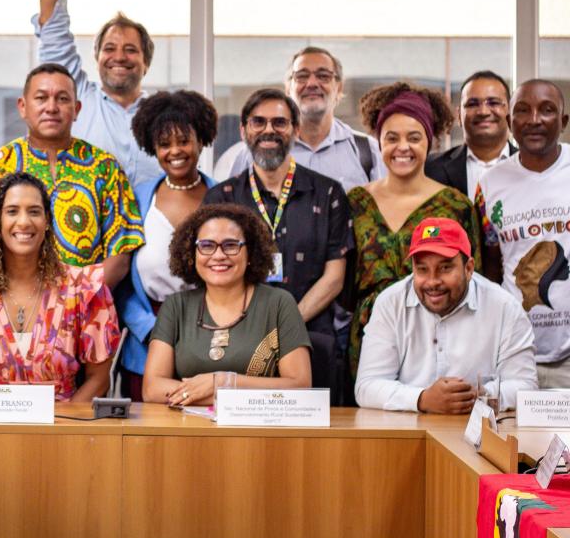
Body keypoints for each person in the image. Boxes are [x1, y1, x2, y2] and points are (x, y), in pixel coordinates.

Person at [204, 88, 352, 392]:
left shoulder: (328, 194)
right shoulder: (221, 198)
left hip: (312, 340)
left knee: (313, 424)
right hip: (238, 342)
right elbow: (211, 272)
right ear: (244, 131)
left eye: (280, 122)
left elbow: (335, 277)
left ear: (296, 131)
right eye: (258, 122)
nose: (268, 130)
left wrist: (286, 326)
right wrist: (255, 329)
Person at [0, 173, 120, 401]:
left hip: (63, 419)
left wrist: (64, 419)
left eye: (34, 211)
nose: (24, 222)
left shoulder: (83, 287)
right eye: (12, 211)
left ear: (47, 221)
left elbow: (99, 378)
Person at [347, 83, 481, 378]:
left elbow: (474, 284)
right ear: (379, 142)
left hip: (439, 338)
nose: (402, 147)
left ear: (429, 142)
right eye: (391, 138)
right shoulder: (356, 202)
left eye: (414, 137)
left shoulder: (455, 205)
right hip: (370, 339)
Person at [0, 63, 144, 288]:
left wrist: (77, 300)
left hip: (88, 303)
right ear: (23, 107)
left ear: (77, 109)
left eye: (62, 99)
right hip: (13, 301)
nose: (51, 107)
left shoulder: (104, 167)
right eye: (41, 98)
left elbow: (120, 255)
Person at [34, 0, 162, 187]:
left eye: (131, 50)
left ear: (146, 63)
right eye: (110, 48)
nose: (119, 57)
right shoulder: (77, 100)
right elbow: (53, 25)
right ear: (97, 57)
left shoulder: (162, 116)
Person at [355, 218, 536, 412]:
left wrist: (477, 396)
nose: (432, 281)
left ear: (469, 268)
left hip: (477, 427)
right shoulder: (390, 303)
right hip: (408, 428)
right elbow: (367, 386)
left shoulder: (505, 307)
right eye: (422, 269)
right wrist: (422, 399)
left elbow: (525, 386)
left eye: (445, 268)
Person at [142, 203, 312, 407]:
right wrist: (219, 394)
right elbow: (152, 388)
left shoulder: (279, 303)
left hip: (256, 426)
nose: (219, 255)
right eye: (207, 246)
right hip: (187, 425)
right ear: (192, 254)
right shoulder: (175, 306)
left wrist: (223, 383)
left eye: (231, 245)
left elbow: (299, 387)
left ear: (250, 253)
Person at [116, 90, 218, 400]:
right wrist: (150, 328)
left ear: (200, 140)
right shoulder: (136, 198)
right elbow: (122, 280)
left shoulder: (224, 197)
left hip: (212, 339)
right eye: (164, 144)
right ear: (152, 147)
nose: (175, 151)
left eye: (184, 141)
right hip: (147, 341)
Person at [476, 79, 570, 388]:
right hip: (516, 351)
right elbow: (491, 267)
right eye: (523, 110)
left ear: (564, 121)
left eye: (547, 110)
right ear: (509, 121)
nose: (534, 119)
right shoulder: (489, 184)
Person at [218, 46, 385, 192]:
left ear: (339, 87)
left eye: (323, 76)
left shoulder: (368, 151)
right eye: (302, 76)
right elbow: (233, 211)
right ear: (288, 88)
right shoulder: (252, 153)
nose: (312, 83)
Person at [425, 70, 517, 198]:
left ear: (510, 111)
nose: (483, 112)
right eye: (472, 104)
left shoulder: (531, 168)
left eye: (493, 103)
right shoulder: (429, 169)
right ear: (459, 115)